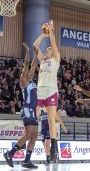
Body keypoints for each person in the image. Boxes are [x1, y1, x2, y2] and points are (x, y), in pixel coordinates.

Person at [3, 43, 38, 168]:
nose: (28, 70)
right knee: (29, 134)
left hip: (33, 109)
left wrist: (37, 53)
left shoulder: (30, 80)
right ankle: (10, 153)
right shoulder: (23, 79)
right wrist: (28, 52)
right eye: (24, 70)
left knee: (35, 135)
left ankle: (26, 160)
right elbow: (28, 64)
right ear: (21, 73)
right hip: (28, 109)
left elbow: (33, 65)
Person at [33, 20, 60, 163]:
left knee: (51, 120)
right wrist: (44, 35)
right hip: (40, 92)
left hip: (50, 91)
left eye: (50, 48)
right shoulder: (43, 59)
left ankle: (54, 149)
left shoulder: (55, 60)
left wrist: (51, 32)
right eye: (48, 48)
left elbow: (54, 44)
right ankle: (32, 143)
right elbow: (35, 46)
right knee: (35, 116)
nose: (49, 49)